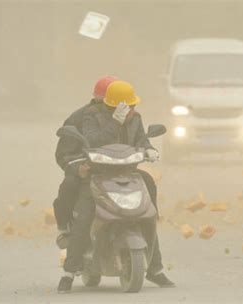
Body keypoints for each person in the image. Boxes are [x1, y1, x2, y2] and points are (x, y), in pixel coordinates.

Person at [57, 80, 174, 293]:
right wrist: (114, 122)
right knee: (85, 214)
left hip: (127, 170)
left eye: (133, 106)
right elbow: (94, 141)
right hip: (97, 174)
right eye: (126, 106)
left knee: (147, 197)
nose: (131, 110)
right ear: (113, 106)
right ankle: (69, 271)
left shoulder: (135, 118)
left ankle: (155, 268)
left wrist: (149, 149)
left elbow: (140, 140)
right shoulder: (91, 116)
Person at [53, 76, 118, 247]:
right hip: (87, 169)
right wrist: (78, 168)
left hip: (116, 169)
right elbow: (64, 154)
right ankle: (65, 228)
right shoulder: (78, 118)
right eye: (108, 102)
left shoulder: (125, 117)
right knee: (69, 184)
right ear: (98, 98)